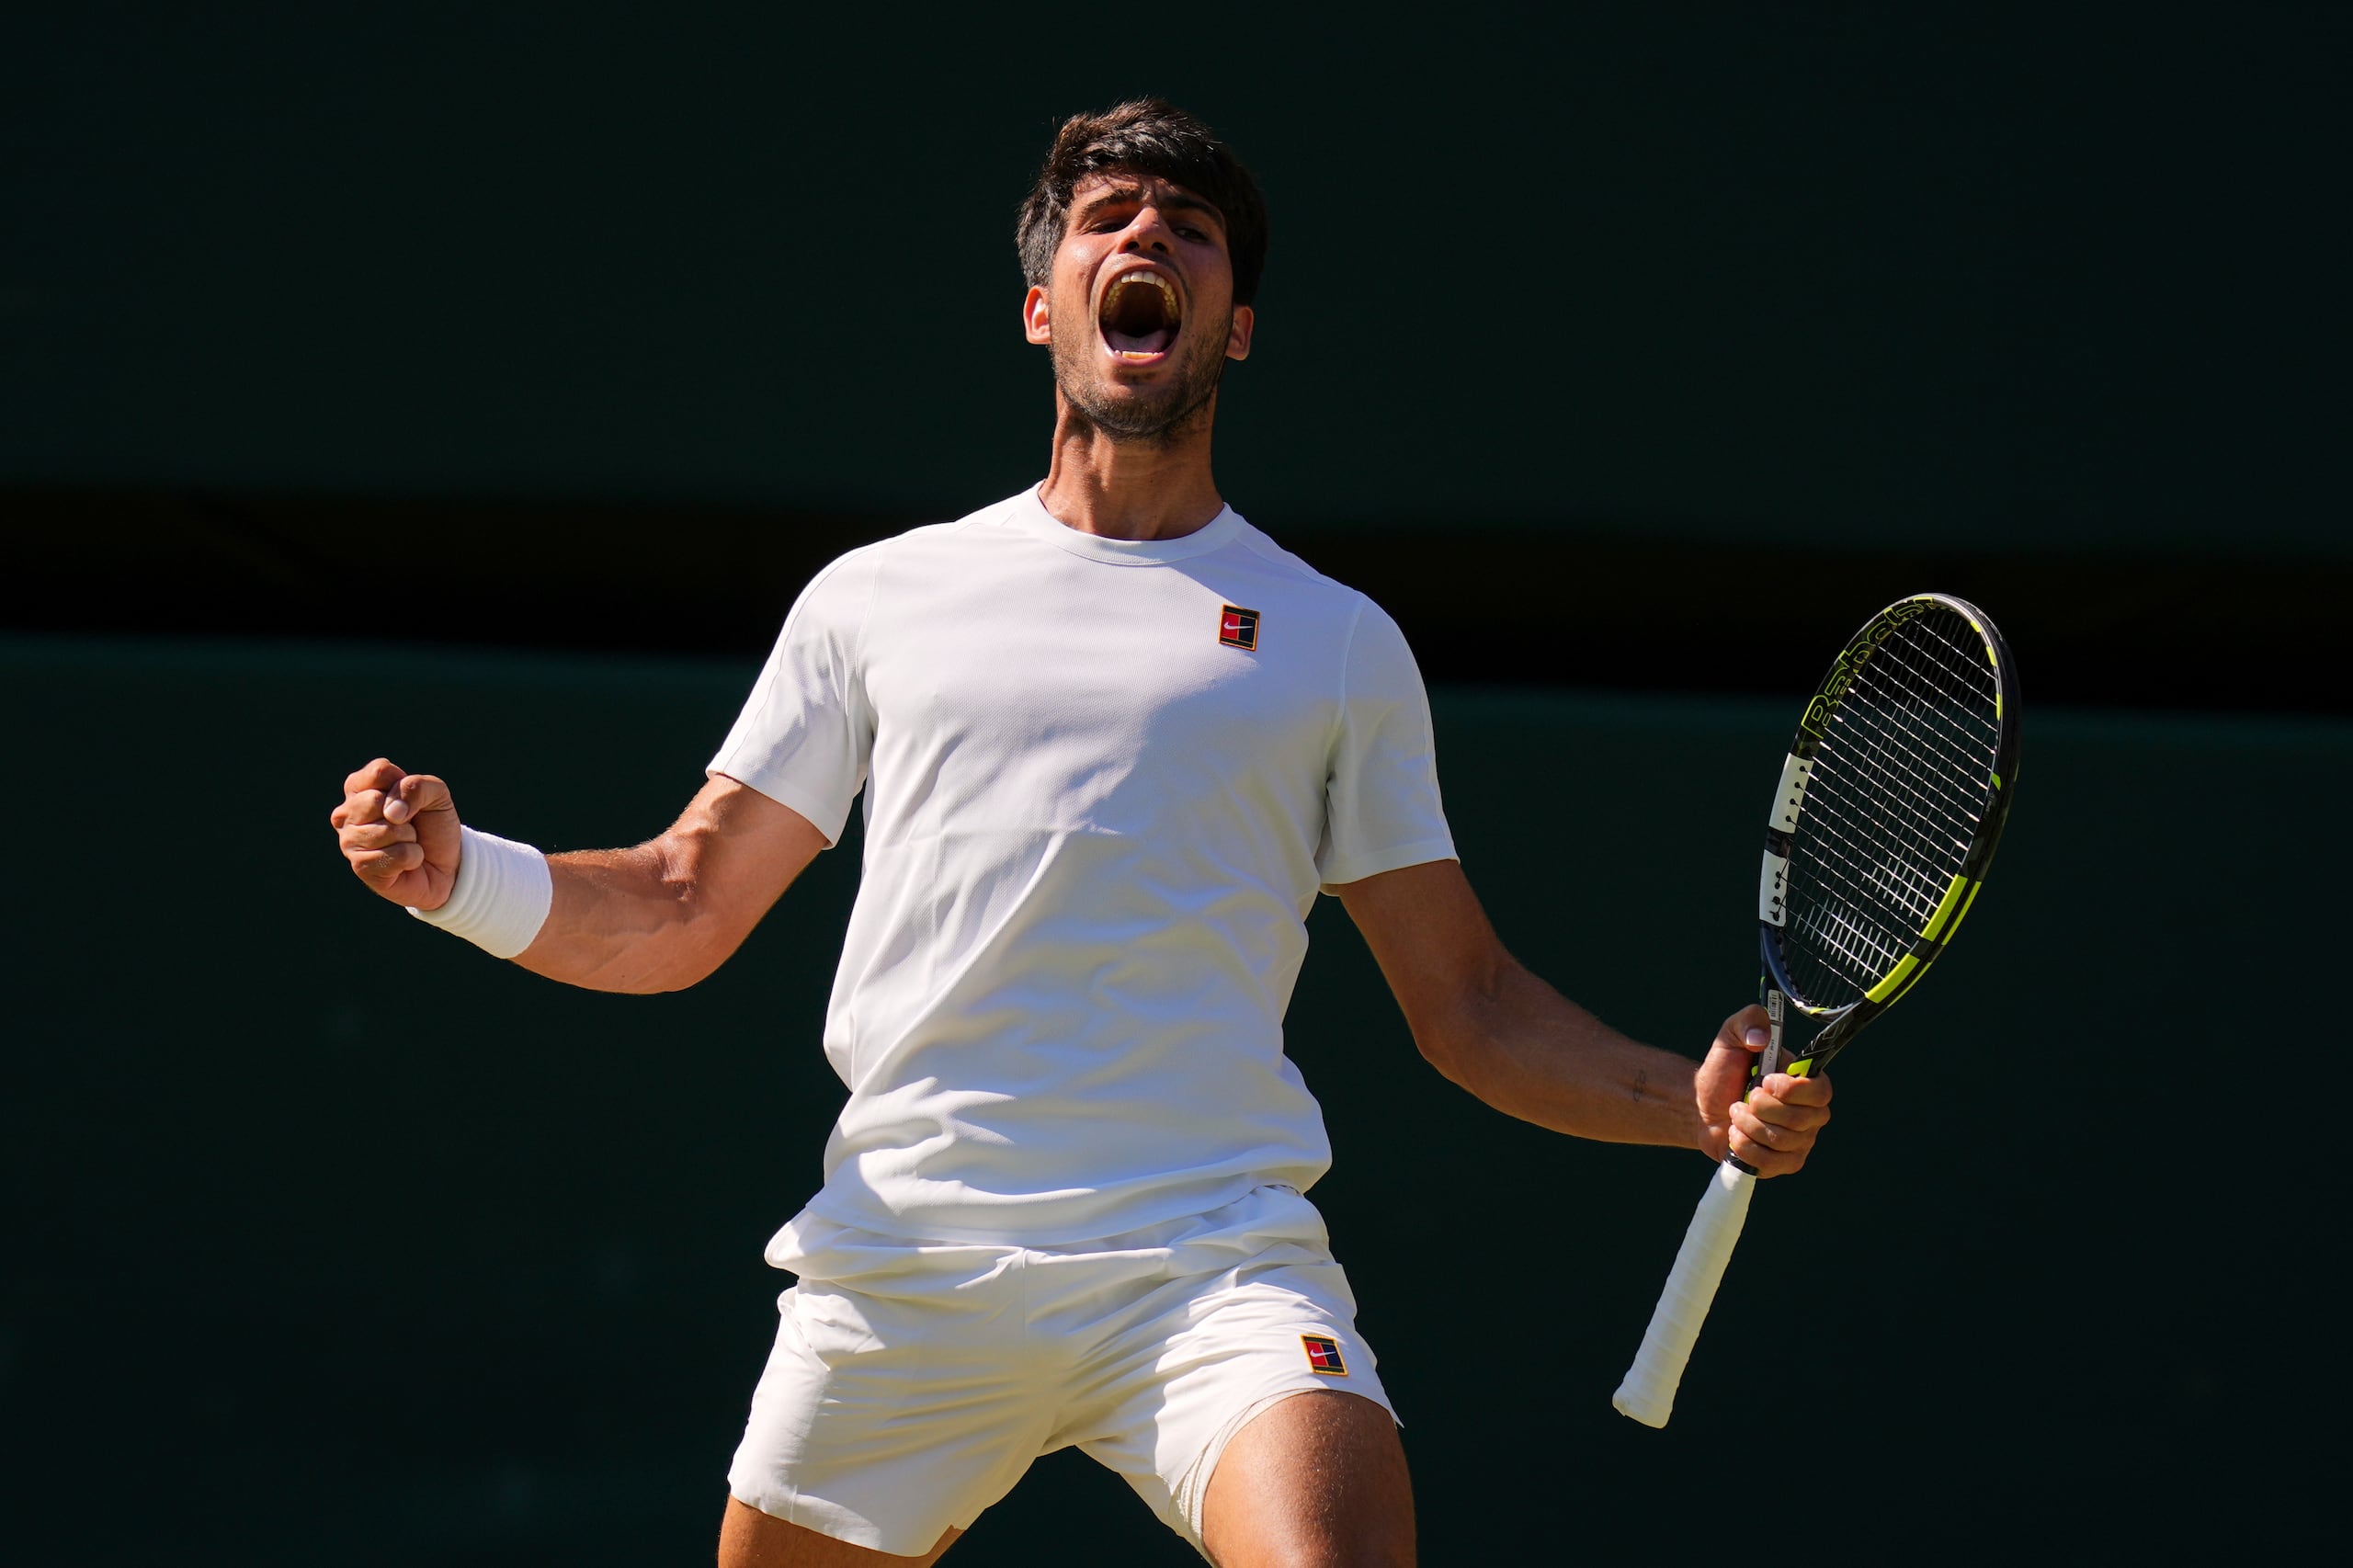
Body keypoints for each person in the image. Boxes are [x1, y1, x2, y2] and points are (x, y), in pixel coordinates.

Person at [330, 99, 1833, 1568]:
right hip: (908, 1264)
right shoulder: (877, 598)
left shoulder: (1337, 643)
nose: (1149, 240)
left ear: (1232, 325)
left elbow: (1473, 1004)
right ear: (1043, 306)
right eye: (1108, 222)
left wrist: (1688, 1103)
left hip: (1207, 1264)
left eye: (1189, 232)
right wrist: (463, 879)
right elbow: (679, 901)